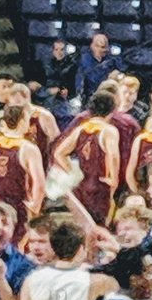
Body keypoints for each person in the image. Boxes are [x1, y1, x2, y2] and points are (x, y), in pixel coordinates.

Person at [0, 104, 46, 240]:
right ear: (22, 121)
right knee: (16, 247)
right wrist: (34, 208)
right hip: (17, 205)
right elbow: (39, 185)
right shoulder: (28, 148)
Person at [51, 90, 120, 225]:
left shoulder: (81, 129)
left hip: (81, 184)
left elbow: (59, 153)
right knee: (100, 225)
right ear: (111, 111)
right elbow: (113, 156)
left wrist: (71, 171)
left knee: (82, 225)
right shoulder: (108, 130)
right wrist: (114, 178)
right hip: (99, 184)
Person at [74, 32, 122, 102]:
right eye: (97, 46)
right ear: (92, 46)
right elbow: (81, 79)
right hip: (91, 96)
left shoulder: (112, 59)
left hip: (109, 95)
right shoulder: (85, 59)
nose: (101, 50)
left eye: (103, 47)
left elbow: (121, 72)